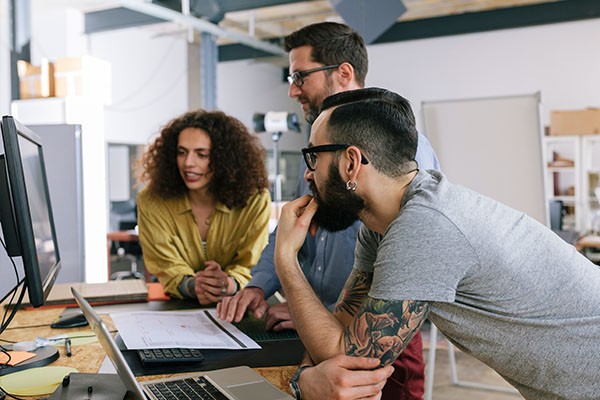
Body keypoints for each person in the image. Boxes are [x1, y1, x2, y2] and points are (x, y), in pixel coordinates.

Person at [274, 87, 600, 400]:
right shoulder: (382, 225)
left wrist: (286, 259)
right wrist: (306, 377)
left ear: (350, 163)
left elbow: (348, 355)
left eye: (313, 156)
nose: (308, 173)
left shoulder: (424, 225)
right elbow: (340, 336)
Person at [217, 22, 440, 400]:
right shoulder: (320, 145)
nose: (292, 90)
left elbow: (403, 272)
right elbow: (295, 222)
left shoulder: (401, 152)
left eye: (300, 76)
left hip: (376, 345)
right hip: (319, 332)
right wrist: (261, 285)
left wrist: (316, 313)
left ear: (344, 73)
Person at [137, 109, 271, 305]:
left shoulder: (255, 200)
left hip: (239, 305)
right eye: (181, 153)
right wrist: (193, 286)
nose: (188, 163)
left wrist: (228, 284)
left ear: (224, 159)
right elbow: (166, 266)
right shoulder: (151, 201)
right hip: (177, 309)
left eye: (202, 154)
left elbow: (251, 263)